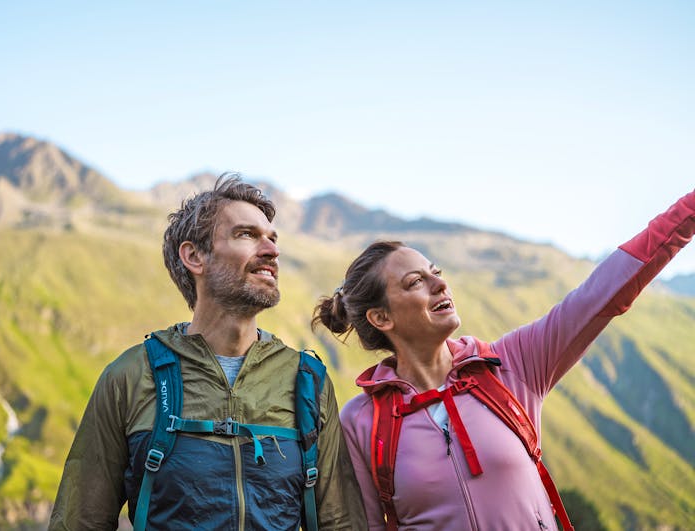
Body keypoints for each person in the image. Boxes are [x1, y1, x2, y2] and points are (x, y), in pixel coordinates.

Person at [313, 189, 695, 530]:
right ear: (382, 318)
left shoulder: (511, 364)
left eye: (436, 273)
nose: (441, 284)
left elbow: (604, 292)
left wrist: (689, 210)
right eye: (415, 282)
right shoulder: (362, 420)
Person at [51, 174, 366, 530]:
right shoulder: (130, 377)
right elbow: (80, 521)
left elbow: (342, 523)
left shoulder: (308, 382)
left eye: (272, 239)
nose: (272, 250)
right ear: (194, 256)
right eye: (247, 234)